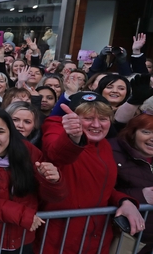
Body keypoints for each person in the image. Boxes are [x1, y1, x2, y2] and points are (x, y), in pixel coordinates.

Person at [39, 91, 145, 254]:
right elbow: (57, 154)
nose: (96, 125)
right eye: (87, 118)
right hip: (61, 241)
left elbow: (100, 187)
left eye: (103, 119)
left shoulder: (105, 146)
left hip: (96, 239)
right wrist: (73, 138)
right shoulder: (56, 130)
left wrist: (124, 201)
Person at [0, 109, 64, 253]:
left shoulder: (28, 152)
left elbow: (53, 197)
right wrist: (22, 214)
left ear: (10, 133)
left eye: (0, 131)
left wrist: (53, 181)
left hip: (23, 240)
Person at [111, 113, 153, 251]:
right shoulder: (113, 151)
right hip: (127, 238)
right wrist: (141, 196)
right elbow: (101, 191)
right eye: (146, 132)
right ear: (133, 132)